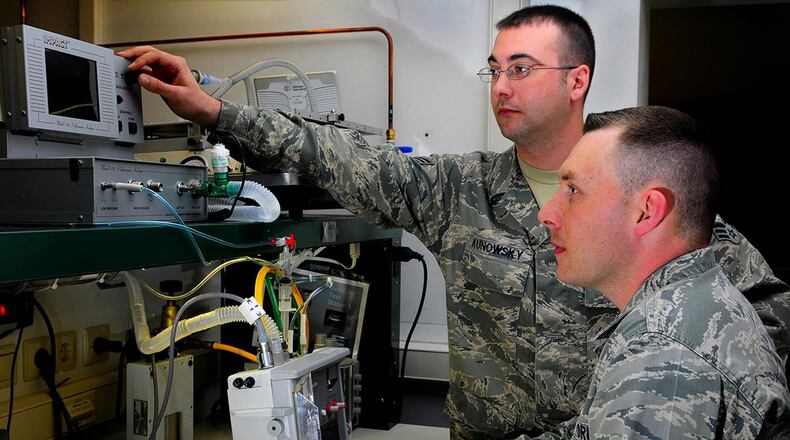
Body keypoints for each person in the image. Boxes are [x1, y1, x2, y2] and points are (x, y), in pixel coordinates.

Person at [118, 5, 790, 438]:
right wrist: (216, 111)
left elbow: (759, 327)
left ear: (577, 80)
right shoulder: (456, 189)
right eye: (493, 70)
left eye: (521, 70)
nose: (500, 86)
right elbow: (341, 155)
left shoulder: (644, 204)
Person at [536, 105, 790, 438]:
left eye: (573, 191)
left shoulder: (663, 349)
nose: (547, 214)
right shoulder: (690, 303)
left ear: (646, 212)